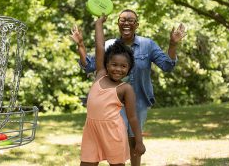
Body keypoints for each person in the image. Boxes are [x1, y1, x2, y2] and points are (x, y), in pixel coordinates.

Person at [71, 9, 186, 166]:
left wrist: (173, 44)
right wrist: (81, 45)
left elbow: (167, 66)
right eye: (123, 19)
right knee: (117, 138)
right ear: (118, 23)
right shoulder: (109, 47)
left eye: (131, 20)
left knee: (133, 140)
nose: (126, 22)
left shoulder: (147, 45)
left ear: (136, 24)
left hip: (137, 99)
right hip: (109, 103)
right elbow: (91, 63)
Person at [72, 15, 146, 166]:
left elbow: (132, 118)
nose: (118, 69)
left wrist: (139, 142)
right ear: (107, 64)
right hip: (91, 131)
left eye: (123, 66)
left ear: (129, 69)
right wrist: (98, 24)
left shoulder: (125, 89)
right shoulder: (100, 75)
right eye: (114, 64)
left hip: (113, 133)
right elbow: (100, 47)